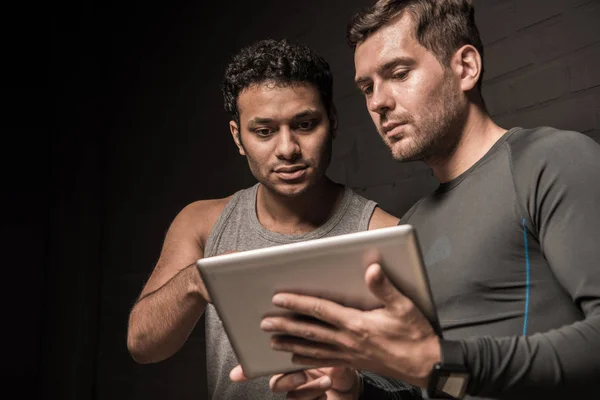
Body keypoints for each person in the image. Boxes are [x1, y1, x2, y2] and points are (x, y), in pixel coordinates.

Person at [231, 1, 600, 399]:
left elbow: (442, 366)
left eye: (399, 73)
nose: (378, 102)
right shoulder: (411, 226)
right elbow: (433, 383)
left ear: (465, 67)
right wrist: (354, 389)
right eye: (367, 87)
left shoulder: (551, 161)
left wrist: (440, 361)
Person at [126, 38, 420, 400]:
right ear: (238, 137)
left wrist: (353, 385)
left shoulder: (383, 234)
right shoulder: (201, 223)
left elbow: (417, 383)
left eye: (305, 124)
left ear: (333, 121)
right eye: (264, 131)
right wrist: (198, 280)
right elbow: (142, 345)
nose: (287, 149)